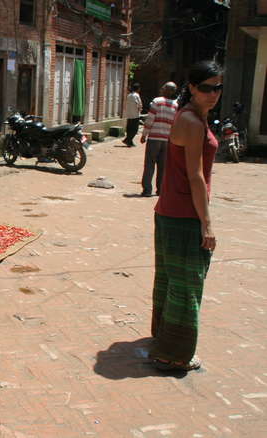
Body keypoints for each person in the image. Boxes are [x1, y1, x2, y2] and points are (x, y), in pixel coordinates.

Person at [150, 61, 222, 372]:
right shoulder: (192, 121)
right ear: (191, 87)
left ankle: (164, 341)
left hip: (171, 211)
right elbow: (195, 177)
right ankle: (173, 353)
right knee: (187, 283)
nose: (213, 94)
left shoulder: (192, 117)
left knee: (171, 279)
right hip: (183, 215)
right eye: (207, 88)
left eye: (218, 87)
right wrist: (207, 223)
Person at [139, 82, 179, 197]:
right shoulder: (176, 105)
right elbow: (175, 124)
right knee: (162, 166)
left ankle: (147, 190)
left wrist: (144, 135)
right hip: (167, 140)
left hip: (154, 139)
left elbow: (150, 120)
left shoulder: (157, 101)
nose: (162, 88)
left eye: (164, 87)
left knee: (149, 164)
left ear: (167, 90)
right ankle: (160, 190)